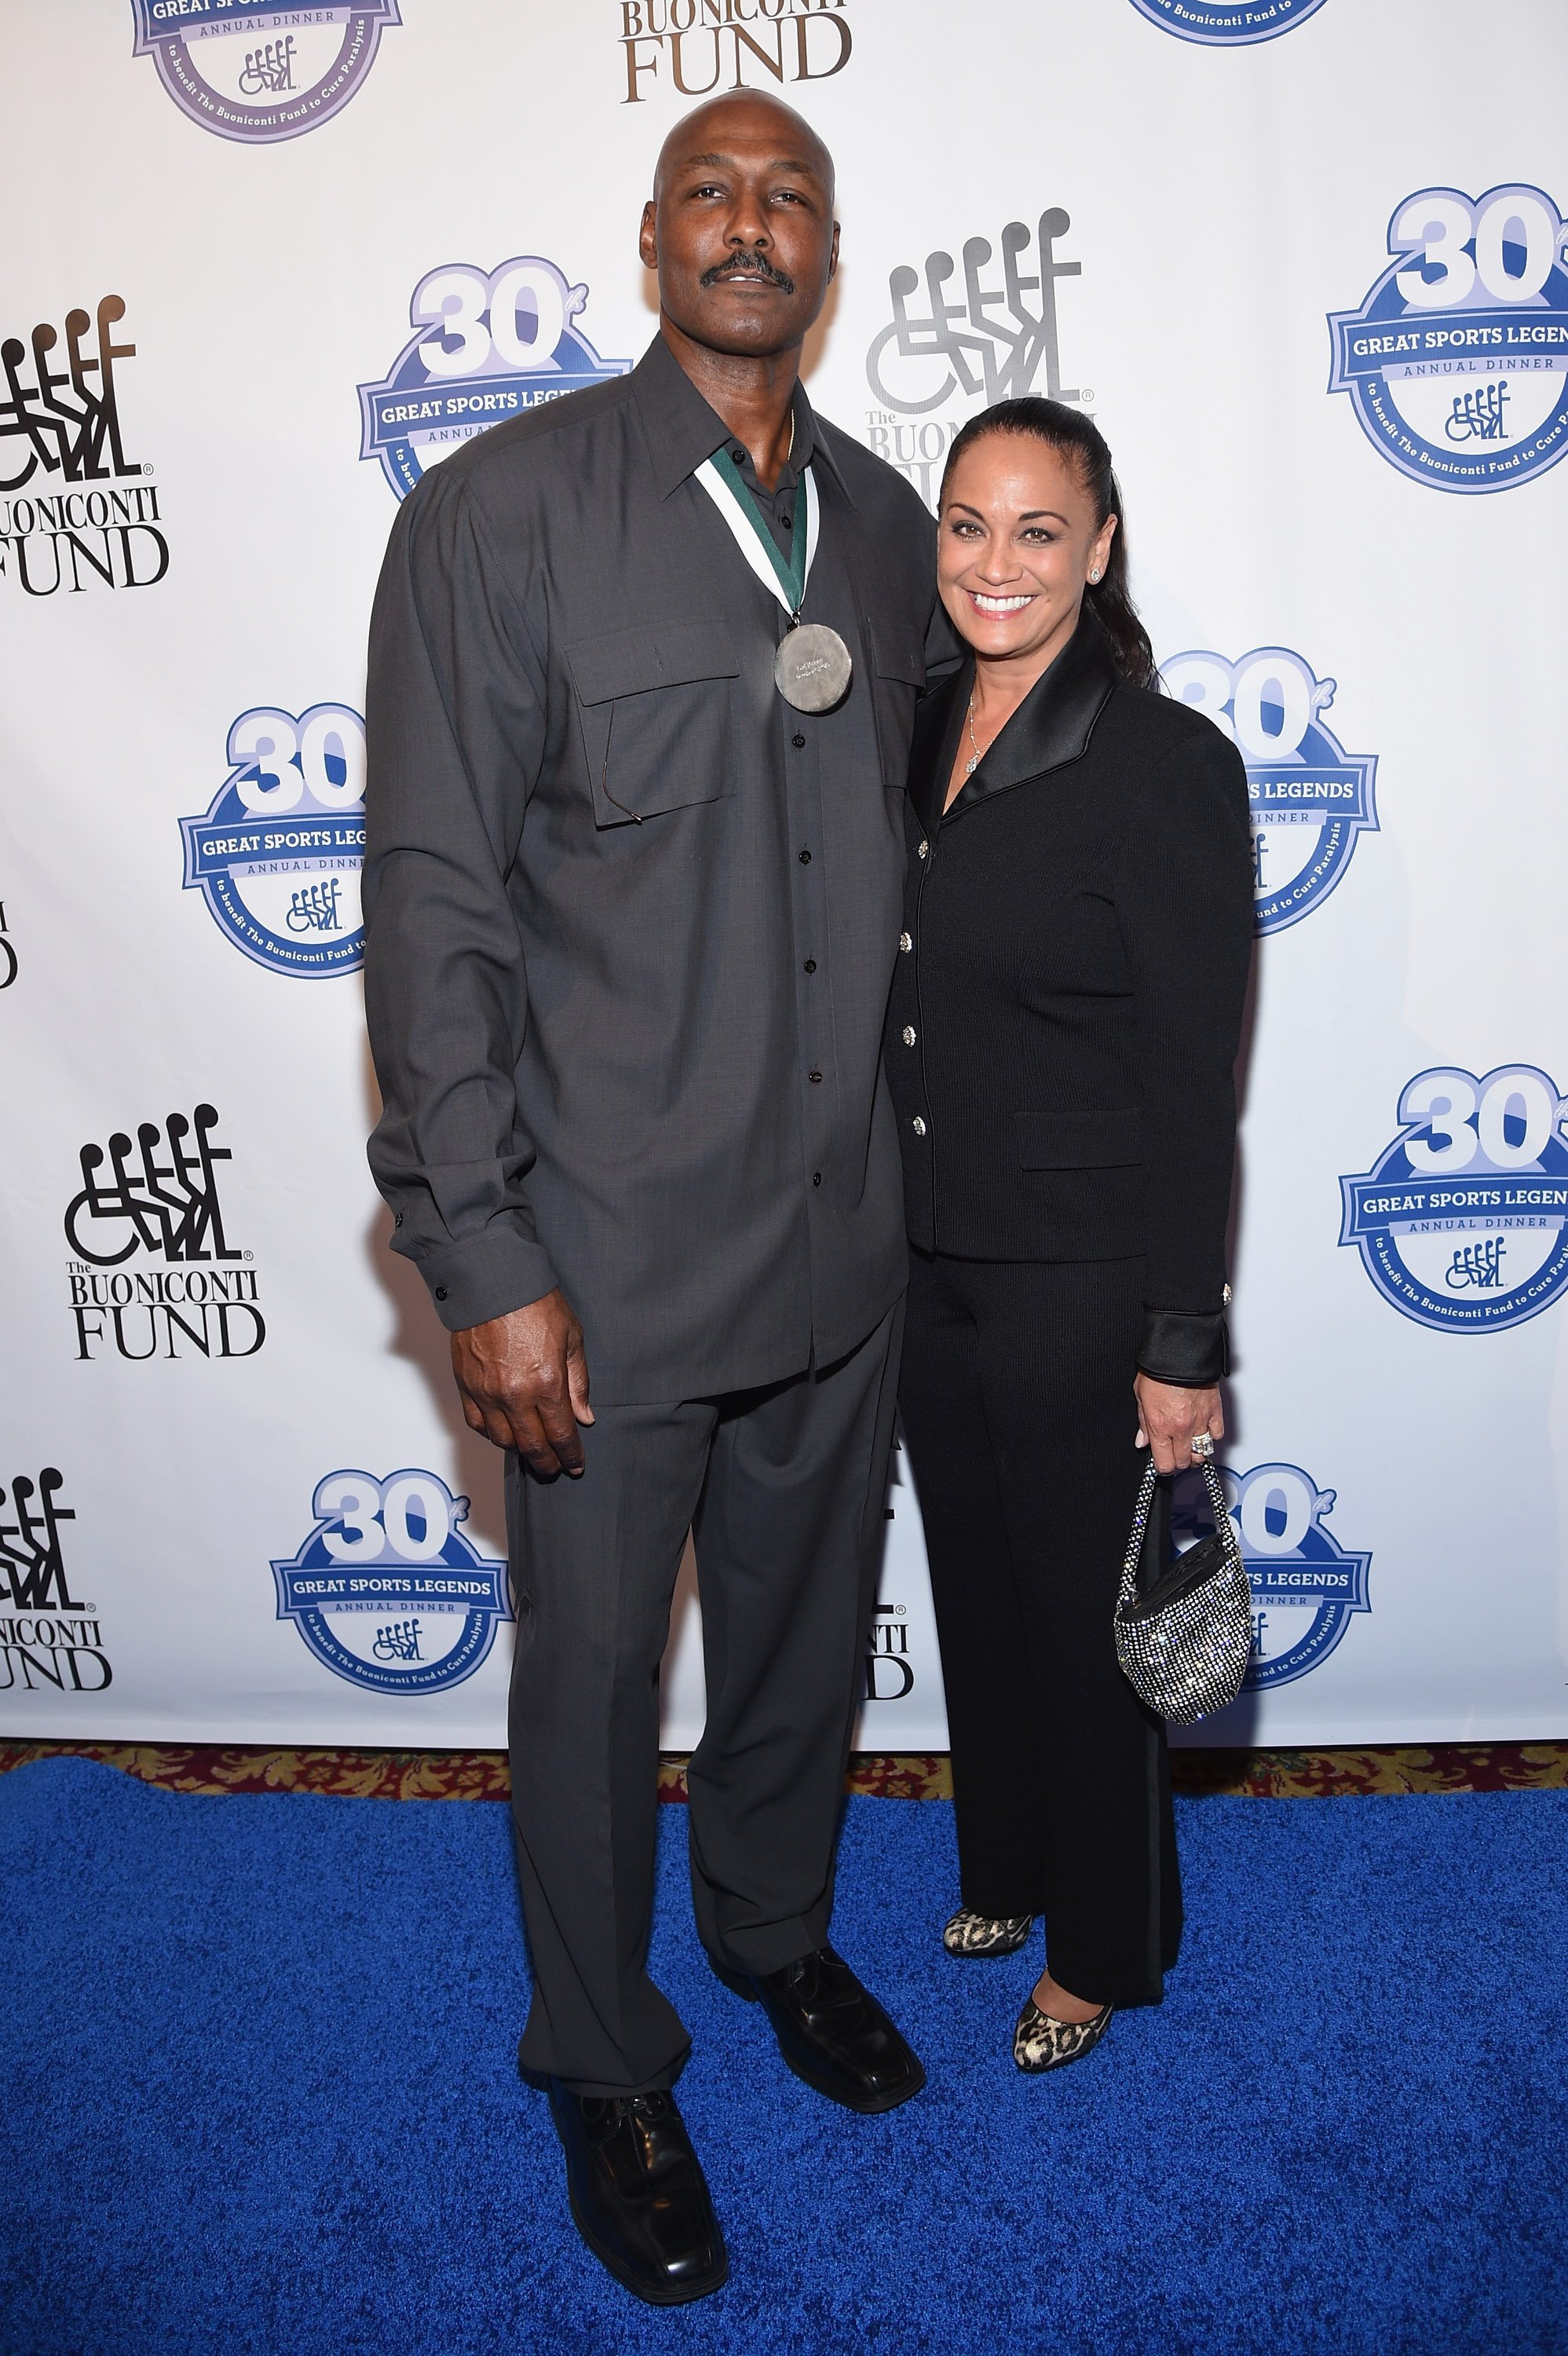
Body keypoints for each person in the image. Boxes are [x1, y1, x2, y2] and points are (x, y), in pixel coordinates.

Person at [363, 94, 947, 2308]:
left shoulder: (887, 534)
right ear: (645, 241)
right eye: (711, 190)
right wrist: (480, 1253)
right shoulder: (495, 515)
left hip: (838, 1236)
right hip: (597, 1259)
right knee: (595, 1679)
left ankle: (777, 1938)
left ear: (826, 252)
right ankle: (603, 2060)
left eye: (788, 195)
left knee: (795, 1650)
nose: (750, 224)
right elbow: (429, 911)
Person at [885, 399, 1253, 2076]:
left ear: (1100, 550)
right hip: (923, 1262)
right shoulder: (905, 726)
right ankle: (1008, 1863)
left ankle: (1107, 1943)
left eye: (1040, 530)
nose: (998, 561)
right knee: (977, 1589)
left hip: (1082, 1277)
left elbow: (1197, 1077)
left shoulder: (1166, 764)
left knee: (1090, 1627)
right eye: (970, 524)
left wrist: (1183, 1342)